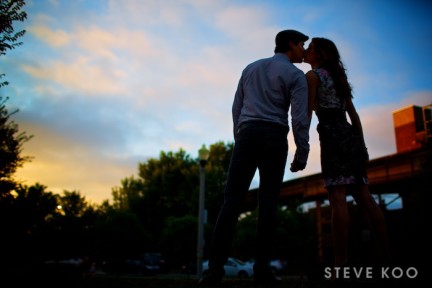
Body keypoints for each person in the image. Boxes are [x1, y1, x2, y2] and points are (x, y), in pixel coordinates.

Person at [198, 29, 311, 286]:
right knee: (268, 203)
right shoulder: (296, 75)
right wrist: (302, 151)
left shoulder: (251, 68)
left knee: (231, 202)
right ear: (291, 45)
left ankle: (213, 271)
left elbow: (236, 106)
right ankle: (262, 271)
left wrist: (241, 137)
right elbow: (300, 117)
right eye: (302, 45)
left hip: (247, 133)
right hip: (273, 135)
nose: (304, 50)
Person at [303, 37, 390, 273]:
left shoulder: (312, 77)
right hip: (350, 136)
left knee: (337, 199)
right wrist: (361, 145)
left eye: (310, 48)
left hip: (331, 136)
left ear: (319, 54)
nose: (306, 50)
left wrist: (302, 142)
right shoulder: (338, 78)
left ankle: (340, 264)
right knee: (365, 196)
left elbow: (309, 111)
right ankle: (385, 261)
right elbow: (353, 113)